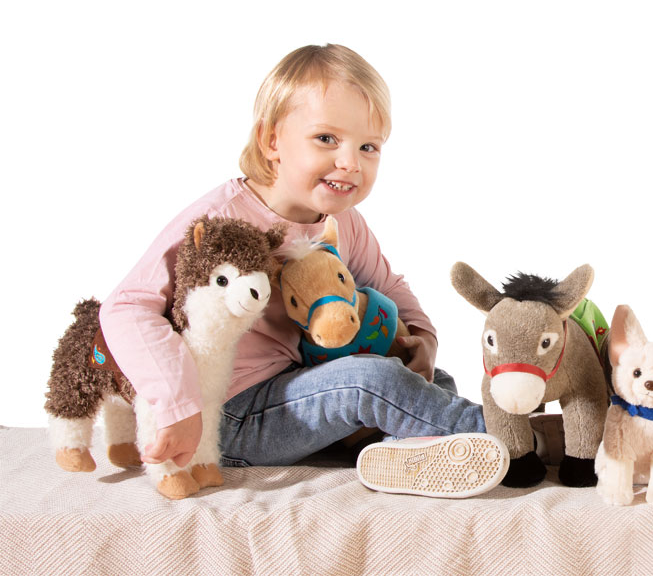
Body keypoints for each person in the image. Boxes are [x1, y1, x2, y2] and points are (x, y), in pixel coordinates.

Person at [99, 44, 506, 498]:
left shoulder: (341, 220)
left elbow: (387, 285)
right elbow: (126, 307)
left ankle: (402, 451)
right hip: (227, 417)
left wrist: (423, 339)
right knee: (372, 383)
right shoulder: (219, 221)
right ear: (271, 141)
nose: (350, 162)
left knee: (427, 377)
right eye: (327, 139)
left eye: (368, 147)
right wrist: (179, 404)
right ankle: (510, 437)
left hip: (295, 387)